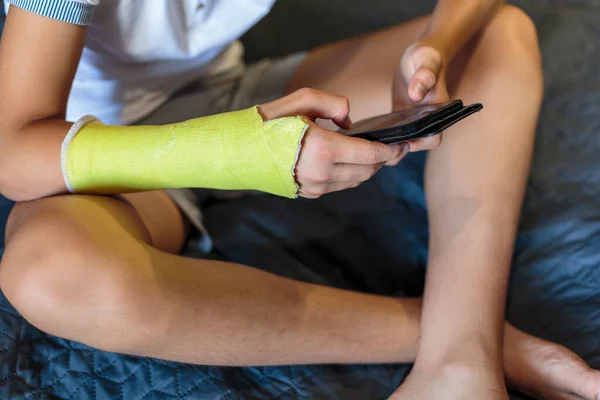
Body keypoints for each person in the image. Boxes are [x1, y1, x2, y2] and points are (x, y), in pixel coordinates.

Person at [0, 0, 598, 399]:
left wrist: (435, 46)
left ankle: (459, 364)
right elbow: (11, 149)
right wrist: (239, 151)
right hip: (96, 140)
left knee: (497, 33)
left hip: (224, 90)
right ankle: (458, 333)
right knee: (51, 271)